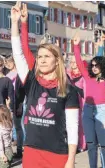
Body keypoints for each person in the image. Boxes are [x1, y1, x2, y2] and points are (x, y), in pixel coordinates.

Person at [11, 2, 79, 168]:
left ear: (57, 61)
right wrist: (15, 23)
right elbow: (19, 53)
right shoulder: (31, 82)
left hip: (57, 154)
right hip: (32, 151)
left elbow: (72, 127)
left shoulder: (68, 90)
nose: (41, 60)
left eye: (47, 56)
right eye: (39, 56)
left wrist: (71, 159)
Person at [73, 35, 105, 168]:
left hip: (102, 111)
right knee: (91, 144)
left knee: (103, 144)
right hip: (87, 110)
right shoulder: (87, 77)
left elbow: (100, 56)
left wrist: (101, 46)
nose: (94, 67)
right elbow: (80, 63)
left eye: (97, 65)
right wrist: (76, 46)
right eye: (92, 65)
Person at [67, 56, 87, 152]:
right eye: (71, 62)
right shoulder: (68, 73)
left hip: (80, 102)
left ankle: (82, 145)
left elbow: (86, 92)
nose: (72, 64)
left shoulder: (83, 75)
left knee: (80, 125)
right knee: (70, 125)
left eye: (75, 62)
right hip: (70, 101)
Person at [0, 99, 14, 168]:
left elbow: (0, 143)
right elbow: (10, 115)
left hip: (3, 150)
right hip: (9, 149)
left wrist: (2, 154)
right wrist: (8, 106)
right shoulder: (9, 123)